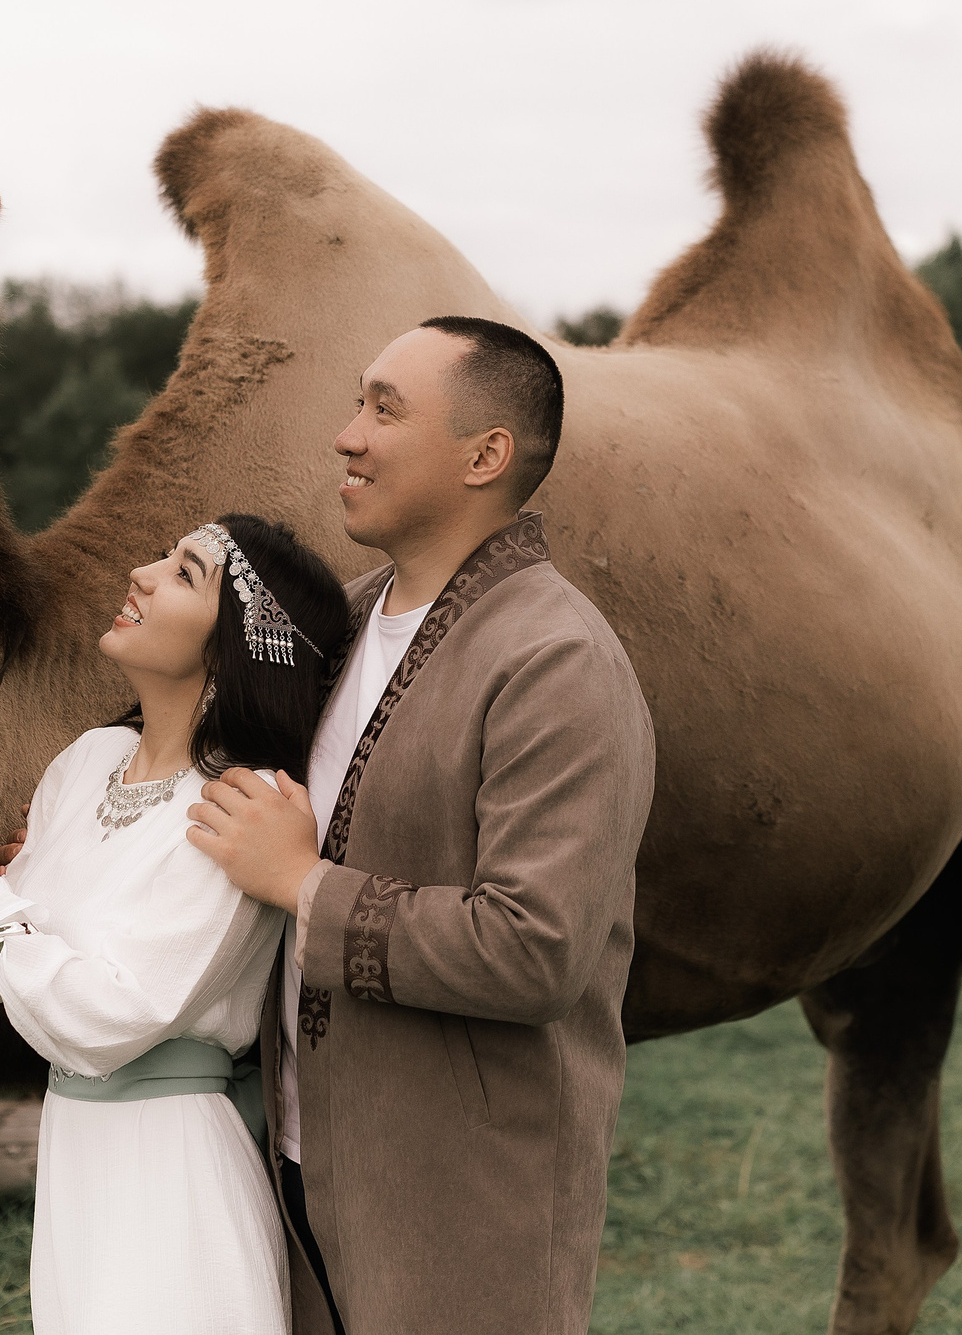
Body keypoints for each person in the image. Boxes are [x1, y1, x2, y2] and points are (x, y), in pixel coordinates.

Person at [186, 316, 658, 1335]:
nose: (347, 435)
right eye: (357, 403)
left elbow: (535, 953)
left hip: (463, 1199)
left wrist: (304, 885)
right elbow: (230, 797)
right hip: (298, 1166)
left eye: (384, 409)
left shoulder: (555, 659)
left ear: (485, 456)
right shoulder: (337, 625)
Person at [0, 513, 355, 1335]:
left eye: (184, 573)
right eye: (161, 554)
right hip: (77, 1158)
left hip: (172, 1169)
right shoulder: (86, 762)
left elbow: (107, 1018)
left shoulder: (249, 805)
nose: (141, 572)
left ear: (241, 641)